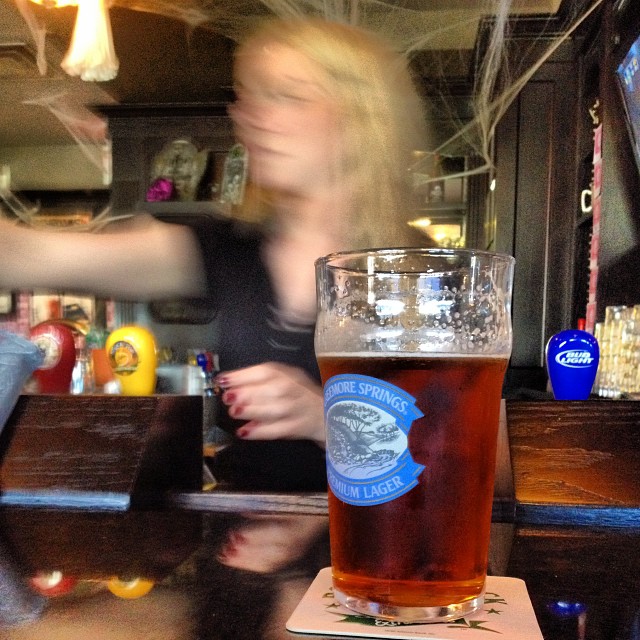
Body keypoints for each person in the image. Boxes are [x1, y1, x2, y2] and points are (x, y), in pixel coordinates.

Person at [0, 17, 430, 490]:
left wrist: (330, 421)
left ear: (361, 116)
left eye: (287, 95)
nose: (249, 117)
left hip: (370, 550)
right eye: (248, 97)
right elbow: (35, 255)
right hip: (243, 540)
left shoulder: (427, 277)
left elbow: (481, 465)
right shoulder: (229, 248)